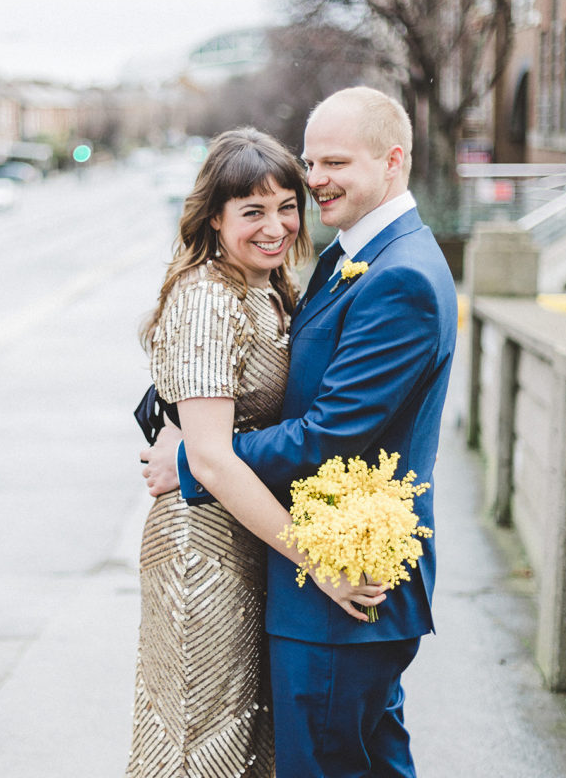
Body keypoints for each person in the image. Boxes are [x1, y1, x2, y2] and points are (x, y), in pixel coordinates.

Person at [144, 87, 459, 778]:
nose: (314, 180)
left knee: (323, 764)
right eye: (310, 161)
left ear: (393, 160)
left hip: (342, 576)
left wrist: (196, 460)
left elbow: (329, 435)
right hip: (318, 573)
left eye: (335, 162)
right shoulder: (361, 255)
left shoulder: (396, 275)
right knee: (367, 759)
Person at [126, 127, 386, 778]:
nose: (275, 226)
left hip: (247, 536)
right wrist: (320, 563)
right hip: (199, 549)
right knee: (195, 740)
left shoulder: (266, 284)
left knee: (242, 739)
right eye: (251, 211)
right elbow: (210, 460)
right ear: (213, 218)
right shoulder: (208, 299)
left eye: (285, 206)